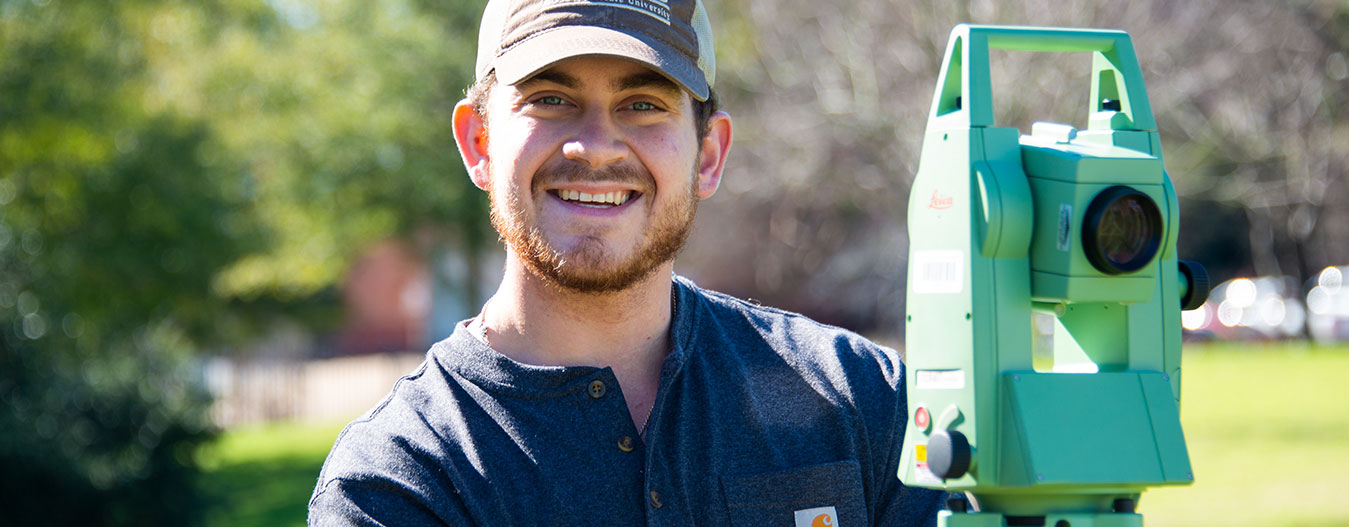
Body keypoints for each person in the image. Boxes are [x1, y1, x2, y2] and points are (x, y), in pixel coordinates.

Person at [308, 0, 947, 525]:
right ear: (479, 142)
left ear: (708, 155)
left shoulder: (865, 403)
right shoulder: (401, 480)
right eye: (550, 99)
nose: (594, 147)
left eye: (643, 104)